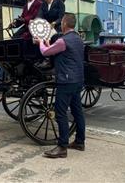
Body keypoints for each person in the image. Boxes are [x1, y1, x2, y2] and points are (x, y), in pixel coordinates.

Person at [34, 13, 85, 159]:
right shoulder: (78, 39)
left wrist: (41, 43)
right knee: (77, 112)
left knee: (60, 113)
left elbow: (45, 52)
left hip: (66, 80)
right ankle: (80, 142)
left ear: (64, 24)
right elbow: (58, 50)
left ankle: (62, 147)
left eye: (61, 22)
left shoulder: (64, 40)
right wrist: (48, 43)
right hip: (77, 80)